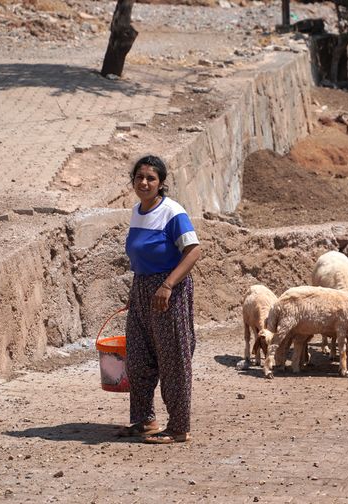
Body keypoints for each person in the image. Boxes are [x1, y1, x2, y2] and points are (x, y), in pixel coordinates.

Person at [118, 155, 202, 444]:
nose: (144, 182)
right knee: (138, 358)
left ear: (161, 183)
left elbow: (193, 251)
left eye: (151, 178)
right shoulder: (137, 211)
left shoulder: (172, 212)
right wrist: (138, 293)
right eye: (139, 177)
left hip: (168, 291)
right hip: (142, 289)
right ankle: (145, 420)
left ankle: (179, 427)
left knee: (173, 360)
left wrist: (167, 286)